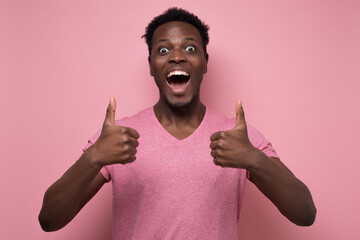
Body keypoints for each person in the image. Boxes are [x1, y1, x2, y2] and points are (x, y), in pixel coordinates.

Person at [39, 7, 316, 239]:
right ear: (151, 65)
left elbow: (305, 213)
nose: (177, 56)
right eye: (163, 50)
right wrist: (93, 158)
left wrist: (255, 159)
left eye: (190, 47)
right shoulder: (116, 138)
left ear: (205, 62)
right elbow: (49, 220)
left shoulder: (238, 138)